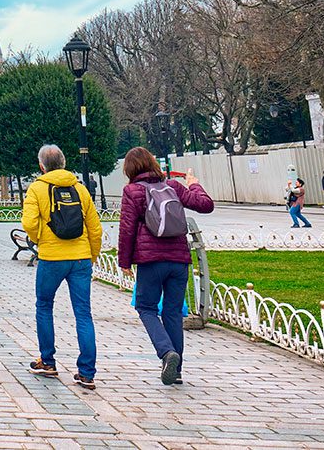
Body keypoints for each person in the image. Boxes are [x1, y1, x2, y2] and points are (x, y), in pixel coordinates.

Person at [117, 147, 214, 385]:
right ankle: (176, 369)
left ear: (130, 169)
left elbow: (127, 228)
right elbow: (206, 205)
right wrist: (193, 184)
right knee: (172, 312)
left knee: (146, 307)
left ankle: (165, 352)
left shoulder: (132, 191)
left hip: (151, 262)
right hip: (179, 259)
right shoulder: (173, 187)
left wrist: (125, 261)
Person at [22, 144, 102, 390]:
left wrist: (39, 240)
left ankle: (48, 360)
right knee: (83, 312)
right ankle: (87, 371)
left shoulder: (37, 188)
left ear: (41, 165)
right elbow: (94, 226)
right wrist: (92, 255)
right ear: (64, 163)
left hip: (52, 257)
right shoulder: (79, 188)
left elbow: (29, 223)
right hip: (80, 258)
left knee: (44, 306)